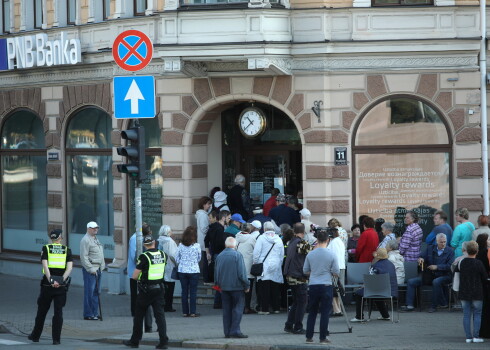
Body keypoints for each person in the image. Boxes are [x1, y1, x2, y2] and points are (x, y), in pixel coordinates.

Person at [28, 229, 73, 345]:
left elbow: (45, 266)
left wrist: (51, 280)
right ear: (60, 238)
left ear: (52, 238)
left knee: (41, 312)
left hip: (47, 285)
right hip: (61, 286)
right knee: (58, 313)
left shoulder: (46, 248)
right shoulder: (67, 250)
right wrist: (61, 280)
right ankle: (56, 339)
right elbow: (69, 268)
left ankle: (35, 336)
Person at [123, 236, 169, 349]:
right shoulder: (163, 255)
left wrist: (141, 276)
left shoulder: (144, 257)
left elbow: (134, 276)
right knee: (160, 316)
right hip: (159, 289)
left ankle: (135, 341)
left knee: (139, 316)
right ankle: (163, 342)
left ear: (144, 245)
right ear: (154, 243)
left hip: (146, 290)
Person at [401, 233, 454, 312]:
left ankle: (433, 306)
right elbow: (422, 256)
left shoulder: (450, 251)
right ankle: (409, 305)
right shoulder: (430, 248)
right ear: (436, 241)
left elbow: (450, 266)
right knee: (411, 282)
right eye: (441, 242)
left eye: (444, 242)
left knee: (436, 281)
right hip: (430, 275)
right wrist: (421, 259)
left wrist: (437, 267)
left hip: (445, 275)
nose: (443, 244)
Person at [303, 228, 339, 344]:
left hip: (313, 285)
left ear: (317, 239)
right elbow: (336, 272)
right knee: (325, 312)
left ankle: (309, 337)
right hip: (326, 284)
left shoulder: (311, 254)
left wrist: (314, 272)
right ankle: (323, 337)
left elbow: (305, 271)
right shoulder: (332, 254)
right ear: (328, 240)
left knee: (312, 311)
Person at [214, 237, 250, 339]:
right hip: (237, 287)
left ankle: (227, 332)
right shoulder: (237, 255)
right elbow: (242, 273)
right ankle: (235, 331)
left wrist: (218, 285)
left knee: (226, 310)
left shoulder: (219, 256)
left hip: (224, 288)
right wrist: (246, 285)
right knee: (237, 309)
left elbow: (216, 273)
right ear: (235, 245)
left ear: (226, 245)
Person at [350, 248, 398, 322]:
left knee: (358, 293)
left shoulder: (375, 266)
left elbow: (370, 281)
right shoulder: (391, 265)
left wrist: (363, 286)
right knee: (378, 294)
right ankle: (385, 315)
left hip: (377, 290)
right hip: (390, 290)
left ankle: (359, 317)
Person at [456, 241, 487, 343]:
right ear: (477, 251)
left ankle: (468, 337)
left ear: (466, 250)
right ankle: (476, 336)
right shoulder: (478, 263)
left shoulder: (462, 262)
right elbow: (484, 277)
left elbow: (456, 273)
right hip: (477, 292)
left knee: (466, 314)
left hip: (464, 291)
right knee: (477, 314)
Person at [283, 223, 312, 334]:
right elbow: (312, 251)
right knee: (302, 302)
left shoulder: (291, 241)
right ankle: (298, 327)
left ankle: (289, 325)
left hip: (291, 275)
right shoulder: (300, 242)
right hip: (298, 276)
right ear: (303, 232)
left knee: (296, 302)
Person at [253, 221, 284, 315]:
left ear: (264, 229)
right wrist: (279, 264)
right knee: (275, 287)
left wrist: (256, 262)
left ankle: (265, 309)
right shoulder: (278, 239)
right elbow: (282, 254)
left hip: (264, 265)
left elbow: (256, 253)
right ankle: (276, 308)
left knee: (264, 288)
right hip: (276, 265)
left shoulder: (261, 238)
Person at [128, 223, 154, 331]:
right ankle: (134, 311)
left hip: (137, 270)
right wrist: (141, 264)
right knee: (135, 293)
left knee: (138, 293)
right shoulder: (135, 238)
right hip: (135, 270)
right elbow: (135, 255)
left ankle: (137, 311)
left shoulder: (138, 238)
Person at [205, 210, 231, 309]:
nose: (229, 220)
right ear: (223, 218)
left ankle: (218, 302)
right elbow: (221, 244)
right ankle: (219, 302)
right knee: (222, 279)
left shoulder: (212, 227)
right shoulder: (220, 229)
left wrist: (208, 253)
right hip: (220, 255)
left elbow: (206, 241)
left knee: (218, 279)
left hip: (214, 254)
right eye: (228, 218)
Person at [80, 221, 105, 321]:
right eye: (93, 228)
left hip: (98, 269)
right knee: (89, 292)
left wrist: (102, 267)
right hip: (91, 270)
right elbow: (83, 257)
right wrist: (91, 269)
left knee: (96, 292)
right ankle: (88, 314)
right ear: (88, 228)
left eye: (97, 228)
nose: (96, 229)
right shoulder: (85, 240)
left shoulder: (95, 239)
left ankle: (95, 313)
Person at [176, 226, 201, 317]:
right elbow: (199, 258)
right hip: (194, 270)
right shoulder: (197, 246)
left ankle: (185, 312)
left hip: (182, 270)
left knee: (184, 292)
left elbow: (177, 258)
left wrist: (183, 262)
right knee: (193, 292)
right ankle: (193, 312)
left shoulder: (180, 245)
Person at [235, 223, 257, 314]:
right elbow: (256, 251)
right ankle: (247, 307)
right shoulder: (252, 238)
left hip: (238, 266)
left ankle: (239, 306)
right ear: (250, 230)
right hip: (248, 266)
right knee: (248, 288)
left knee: (239, 288)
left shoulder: (236, 237)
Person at [157, 225, 178, 312]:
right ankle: (168, 306)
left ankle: (163, 305)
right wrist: (177, 263)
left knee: (164, 288)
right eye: (171, 231)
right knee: (170, 288)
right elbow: (173, 255)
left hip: (162, 266)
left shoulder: (159, 240)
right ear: (168, 232)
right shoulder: (170, 241)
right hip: (170, 266)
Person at [326, 227, 345, 317]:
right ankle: (338, 308)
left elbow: (334, 256)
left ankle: (336, 309)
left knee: (334, 288)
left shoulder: (334, 243)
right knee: (338, 288)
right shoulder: (339, 241)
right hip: (341, 266)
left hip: (336, 268)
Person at [196, 196, 212, 284]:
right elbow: (204, 228)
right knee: (206, 260)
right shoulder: (203, 215)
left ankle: (206, 278)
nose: (210, 206)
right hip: (204, 241)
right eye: (208, 204)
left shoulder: (202, 214)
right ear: (203, 204)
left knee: (206, 260)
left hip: (202, 240)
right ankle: (206, 279)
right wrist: (211, 227)